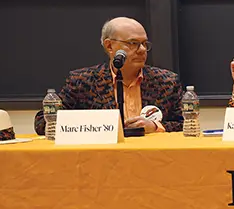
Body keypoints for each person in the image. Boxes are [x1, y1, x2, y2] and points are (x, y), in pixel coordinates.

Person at [33, 17, 184, 135]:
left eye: (144, 43)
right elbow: (43, 123)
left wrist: (155, 126)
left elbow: (187, 123)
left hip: (152, 157)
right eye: (133, 43)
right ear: (109, 46)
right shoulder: (82, 81)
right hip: (101, 159)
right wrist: (95, 125)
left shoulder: (167, 82)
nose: (142, 49)